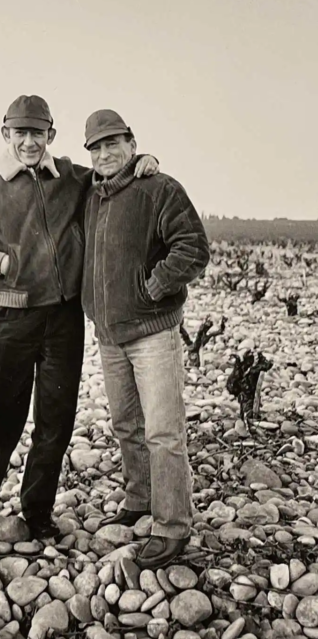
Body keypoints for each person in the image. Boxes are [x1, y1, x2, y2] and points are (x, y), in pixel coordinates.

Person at [0, 95, 159, 540]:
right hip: (13, 319)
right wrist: (0, 264)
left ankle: (37, 512)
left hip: (64, 320)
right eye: (19, 132)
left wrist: (146, 159)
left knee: (55, 420)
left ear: (50, 136)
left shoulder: (71, 178)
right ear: (6, 134)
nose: (28, 141)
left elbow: (110, 172)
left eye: (36, 133)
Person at [81, 109, 210, 568]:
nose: (105, 153)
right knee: (126, 425)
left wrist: (154, 286)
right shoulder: (91, 195)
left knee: (163, 430)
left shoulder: (160, 188)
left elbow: (193, 247)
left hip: (153, 331)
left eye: (113, 142)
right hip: (110, 335)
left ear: (132, 144)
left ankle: (172, 526)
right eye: (96, 146)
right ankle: (140, 498)